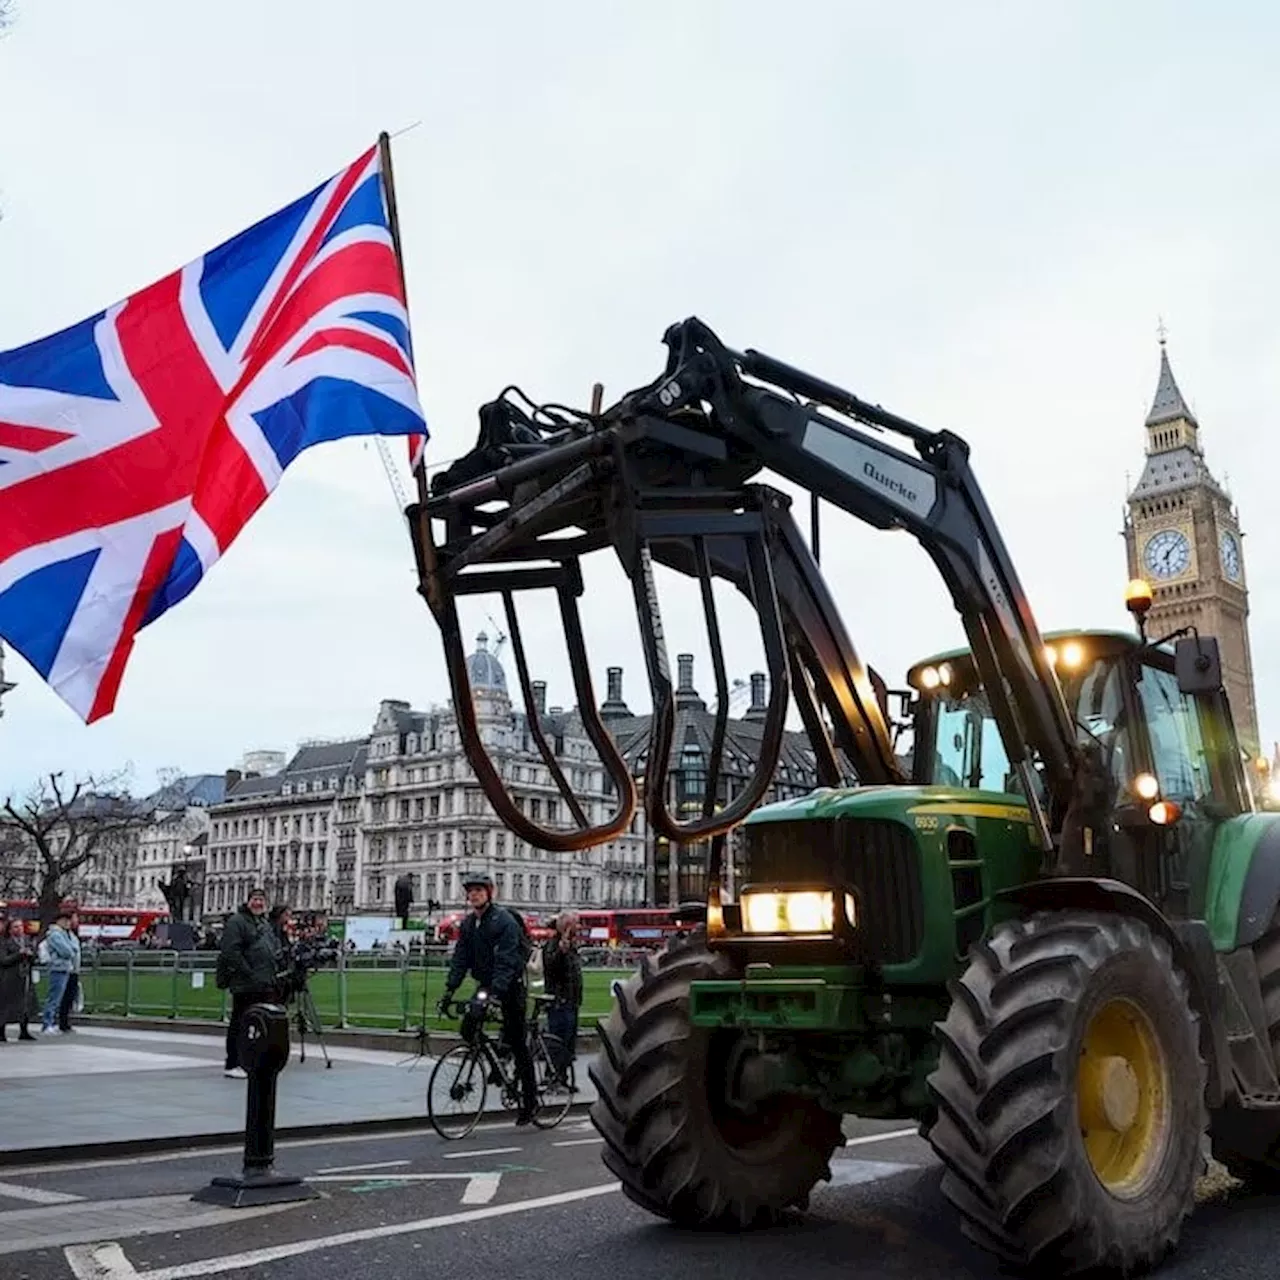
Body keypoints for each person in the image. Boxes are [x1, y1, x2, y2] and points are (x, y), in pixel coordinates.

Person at [438, 872, 536, 1125]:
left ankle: (530, 1101)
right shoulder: (469, 924)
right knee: (468, 1027)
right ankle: (495, 1062)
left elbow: (507, 960)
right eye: (470, 891)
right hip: (485, 984)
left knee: (517, 1041)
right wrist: (450, 990)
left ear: (489, 893)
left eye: (479, 891)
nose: (474, 895)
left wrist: (496, 992)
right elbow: (461, 958)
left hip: (511, 985)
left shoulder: (504, 921)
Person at [215, 887, 283, 1078]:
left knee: (259, 1022)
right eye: (255, 899)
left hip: (264, 980)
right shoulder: (237, 922)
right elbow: (230, 951)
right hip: (246, 983)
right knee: (240, 1021)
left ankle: (251, 1059)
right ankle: (233, 1062)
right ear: (248, 901)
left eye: (261, 899)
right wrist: (248, 972)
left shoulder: (263, 922)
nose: (258, 903)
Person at [542, 911, 582, 1086]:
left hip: (571, 1001)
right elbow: (551, 966)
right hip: (560, 1001)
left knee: (567, 1042)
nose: (578, 927)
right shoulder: (554, 945)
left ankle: (562, 1076)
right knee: (557, 1041)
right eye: (575, 924)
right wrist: (561, 951)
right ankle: (553, 1075)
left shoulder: (571, 946)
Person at [40, 909, 79, 1034]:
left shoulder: (64, 934)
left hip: (65, 968)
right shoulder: (55, 934)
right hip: (58, 967)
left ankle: (50, 1022)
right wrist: (71, 950)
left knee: (58, 997)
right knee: (54, 997)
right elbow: (67, 951)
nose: (69, 923)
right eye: (66, 921)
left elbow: (72, 949)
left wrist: (71, 950)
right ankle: (47, 1024)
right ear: (60, 921)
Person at [0, 916, 37, 1042]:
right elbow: (4, 960)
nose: (19, 929)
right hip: (10, 978)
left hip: (25, 976)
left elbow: (34, 958)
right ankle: (1, 1032)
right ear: (10, 929)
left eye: (21, 926)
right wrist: (19, 954)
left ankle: (24, 1030)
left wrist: (31, 955)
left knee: (25, 1005)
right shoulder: (4, 942)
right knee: (6, 1006)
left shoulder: (26, 940)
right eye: (16, 927)